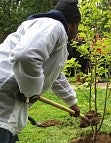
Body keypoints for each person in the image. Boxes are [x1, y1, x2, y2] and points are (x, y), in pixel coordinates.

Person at [0, 0, 82, 142]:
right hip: (5, 99)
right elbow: (26, 56)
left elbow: (53, 74)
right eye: (78, 26)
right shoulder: (53, 26)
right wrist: (31, 92)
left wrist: (72, 102)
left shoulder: (46, 28)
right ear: (73, 24)